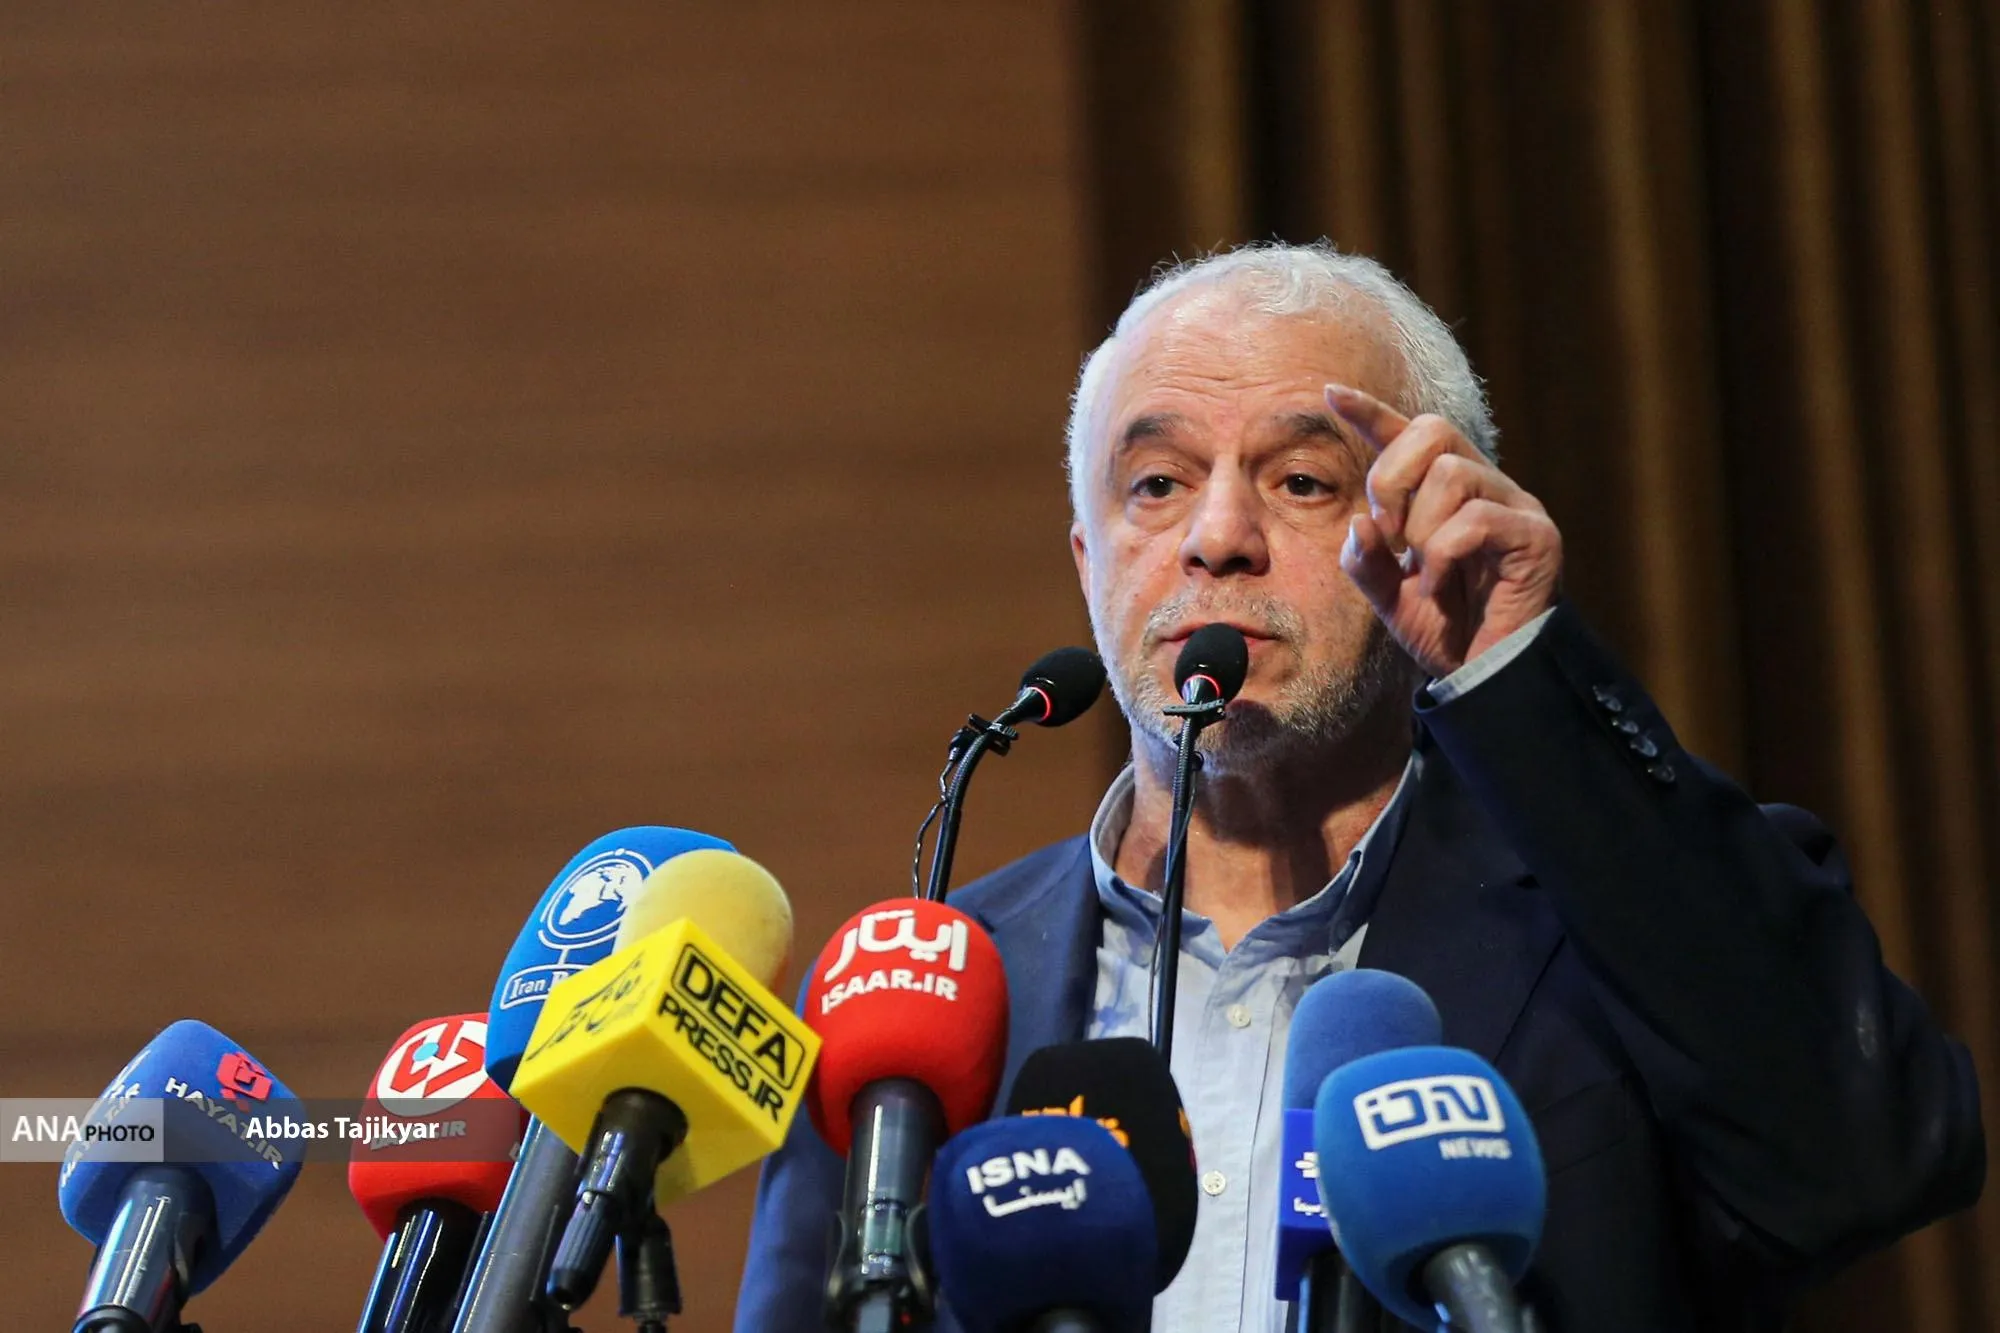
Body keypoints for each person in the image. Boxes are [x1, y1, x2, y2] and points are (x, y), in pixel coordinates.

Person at [734, 242, 1984, 1332]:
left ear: (1433, 527)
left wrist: (1517, 671)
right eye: (1156, 483)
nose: (1215, 537)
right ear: (1087, 557)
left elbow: (1869, 1163)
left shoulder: (1611, 922)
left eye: (1300, 480)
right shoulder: (913, 1007)